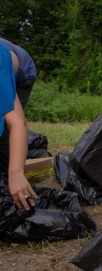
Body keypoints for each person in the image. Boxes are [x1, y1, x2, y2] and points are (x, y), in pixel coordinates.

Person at [0, 42, 37, 210]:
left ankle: (13, 193)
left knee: (3, 147)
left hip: (21, 71)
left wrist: (15, 174)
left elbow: (17, 124)